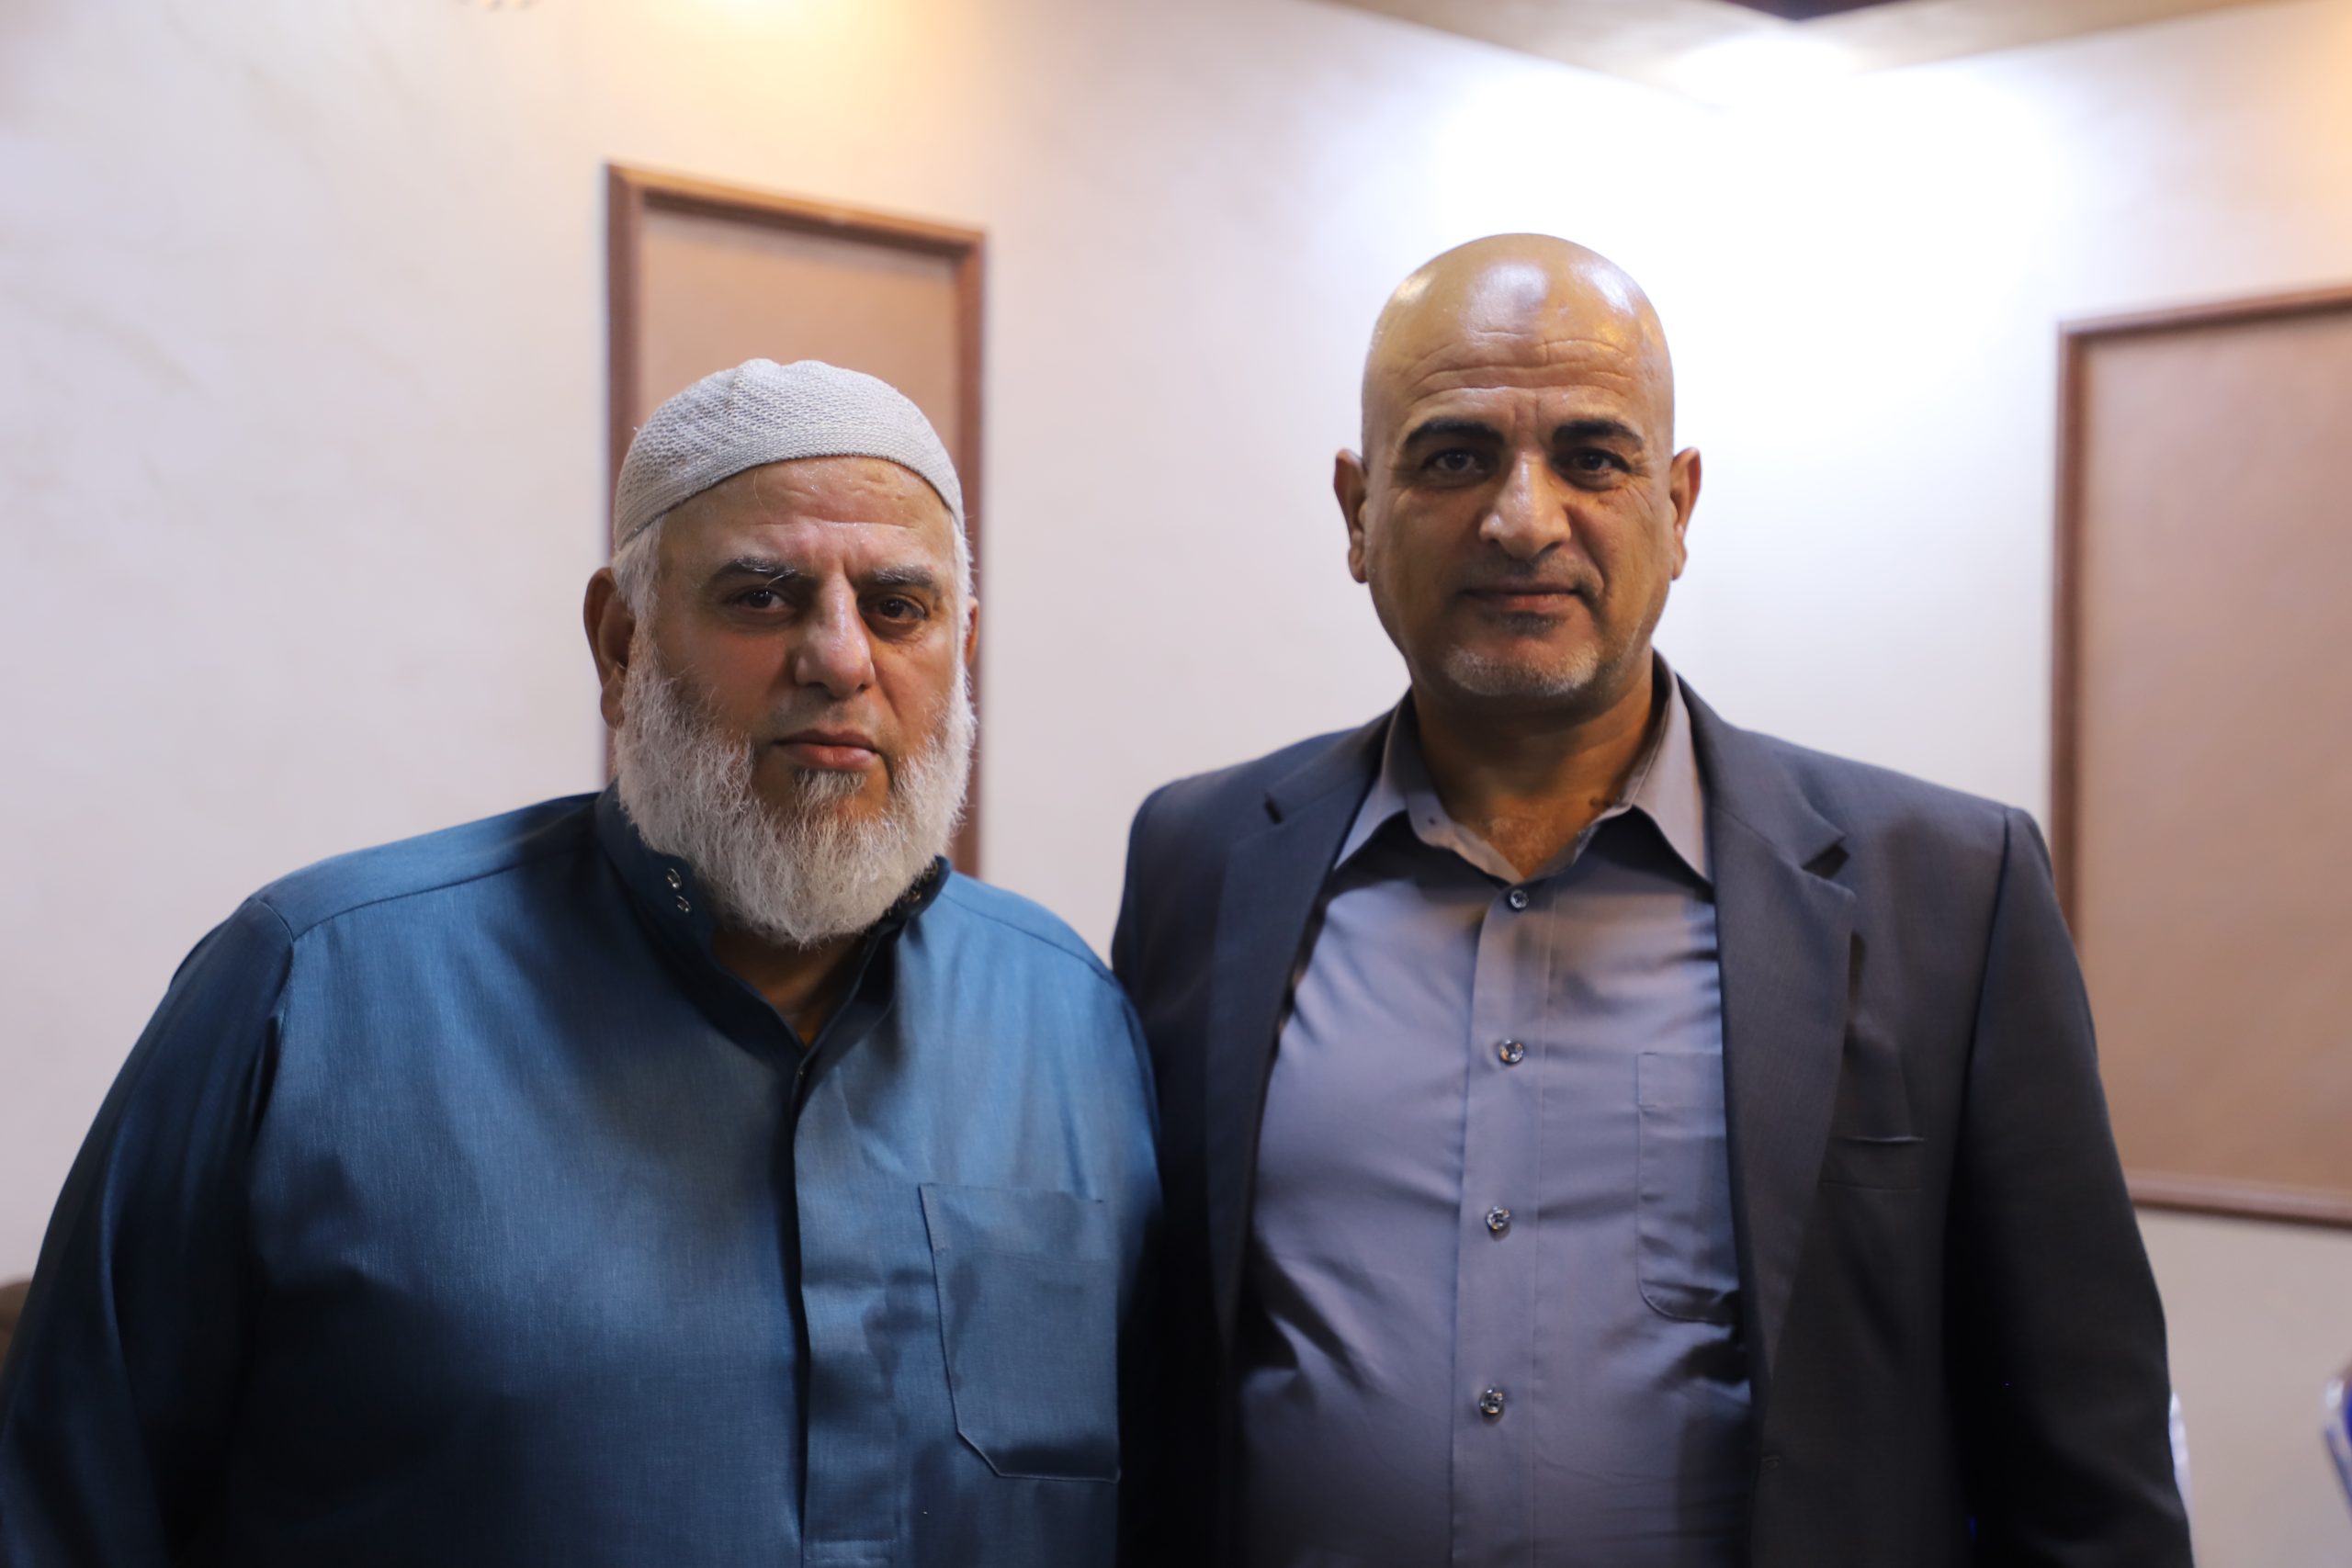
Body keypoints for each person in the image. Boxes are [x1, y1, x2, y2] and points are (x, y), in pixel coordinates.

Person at [1113, 236, 2191, 1566]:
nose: (1523, 520)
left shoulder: (1952, 897)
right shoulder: (1201, 863)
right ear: (1357, 509)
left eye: (1592, 458)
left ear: (1677, 508)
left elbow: (2089, 1477)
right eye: (1453, 457)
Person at [0, 359, 1159, 1567]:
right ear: (620, 644)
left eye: (897, 607)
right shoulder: (309, 992)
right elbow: (62, 1510)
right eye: (762, 596)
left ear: (960, 648)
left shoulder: (1071, 1025)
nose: (838, 657)